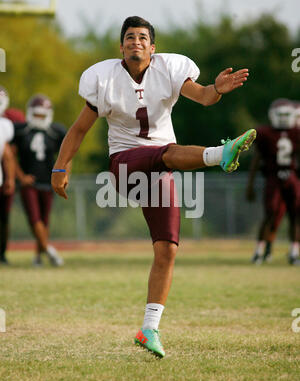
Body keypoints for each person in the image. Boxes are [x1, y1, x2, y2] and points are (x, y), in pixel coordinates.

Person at [51, 16, 256, 358]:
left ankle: (149, 329)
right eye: (129, 37)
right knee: (166, 154)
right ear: (121, 46)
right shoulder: (104, 78)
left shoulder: (170, 69)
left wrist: (217, 89)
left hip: (163, 166)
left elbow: (204, 97)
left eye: (142, 37)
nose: (136, 42)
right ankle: (221, 154)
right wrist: (60, 165)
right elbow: (78, 130)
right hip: (126, 165)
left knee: (167, 249)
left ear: (153, 47)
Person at [11, 94, 67, 267]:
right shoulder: (21, 131)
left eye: (42, 115)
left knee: (44, 220)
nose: (38, 118)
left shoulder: (55, 131)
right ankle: (49, 250)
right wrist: (21, 177)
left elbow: (67, 154)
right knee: (34, 219)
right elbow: (10, 156)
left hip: (48, 181)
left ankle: (38, 256)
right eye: (36, 114)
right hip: (29, 182)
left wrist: (64, 174)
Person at [246, 98, 300, 265]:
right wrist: (250, 184)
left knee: (296, 215)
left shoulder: (296, 132)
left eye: (286, 114)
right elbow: (257, 159)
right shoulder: (265, 133)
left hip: (291, 177)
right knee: (270, 214)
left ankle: (294, 252)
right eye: (280, 114)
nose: (283, 118)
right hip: (273, 177)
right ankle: (260, 251)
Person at [0, 86, 16, 264]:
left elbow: (7, 155)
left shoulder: (5, 124)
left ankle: (2, 253)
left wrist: (10, 178)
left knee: (4, 218)